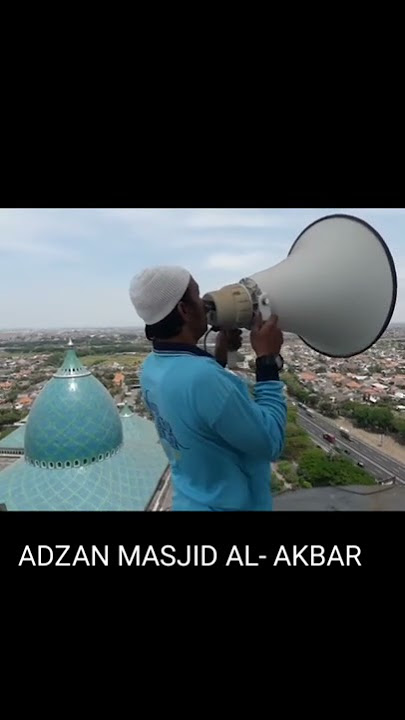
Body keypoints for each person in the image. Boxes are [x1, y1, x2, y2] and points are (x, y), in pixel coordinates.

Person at [129, 266, 287, 511]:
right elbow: (272, 442)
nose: (205, 304)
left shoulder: (150, 368)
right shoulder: (203, 380)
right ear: (184, 310)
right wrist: (267, 359)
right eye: (197, 295)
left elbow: (196, 402)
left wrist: (220, 352)